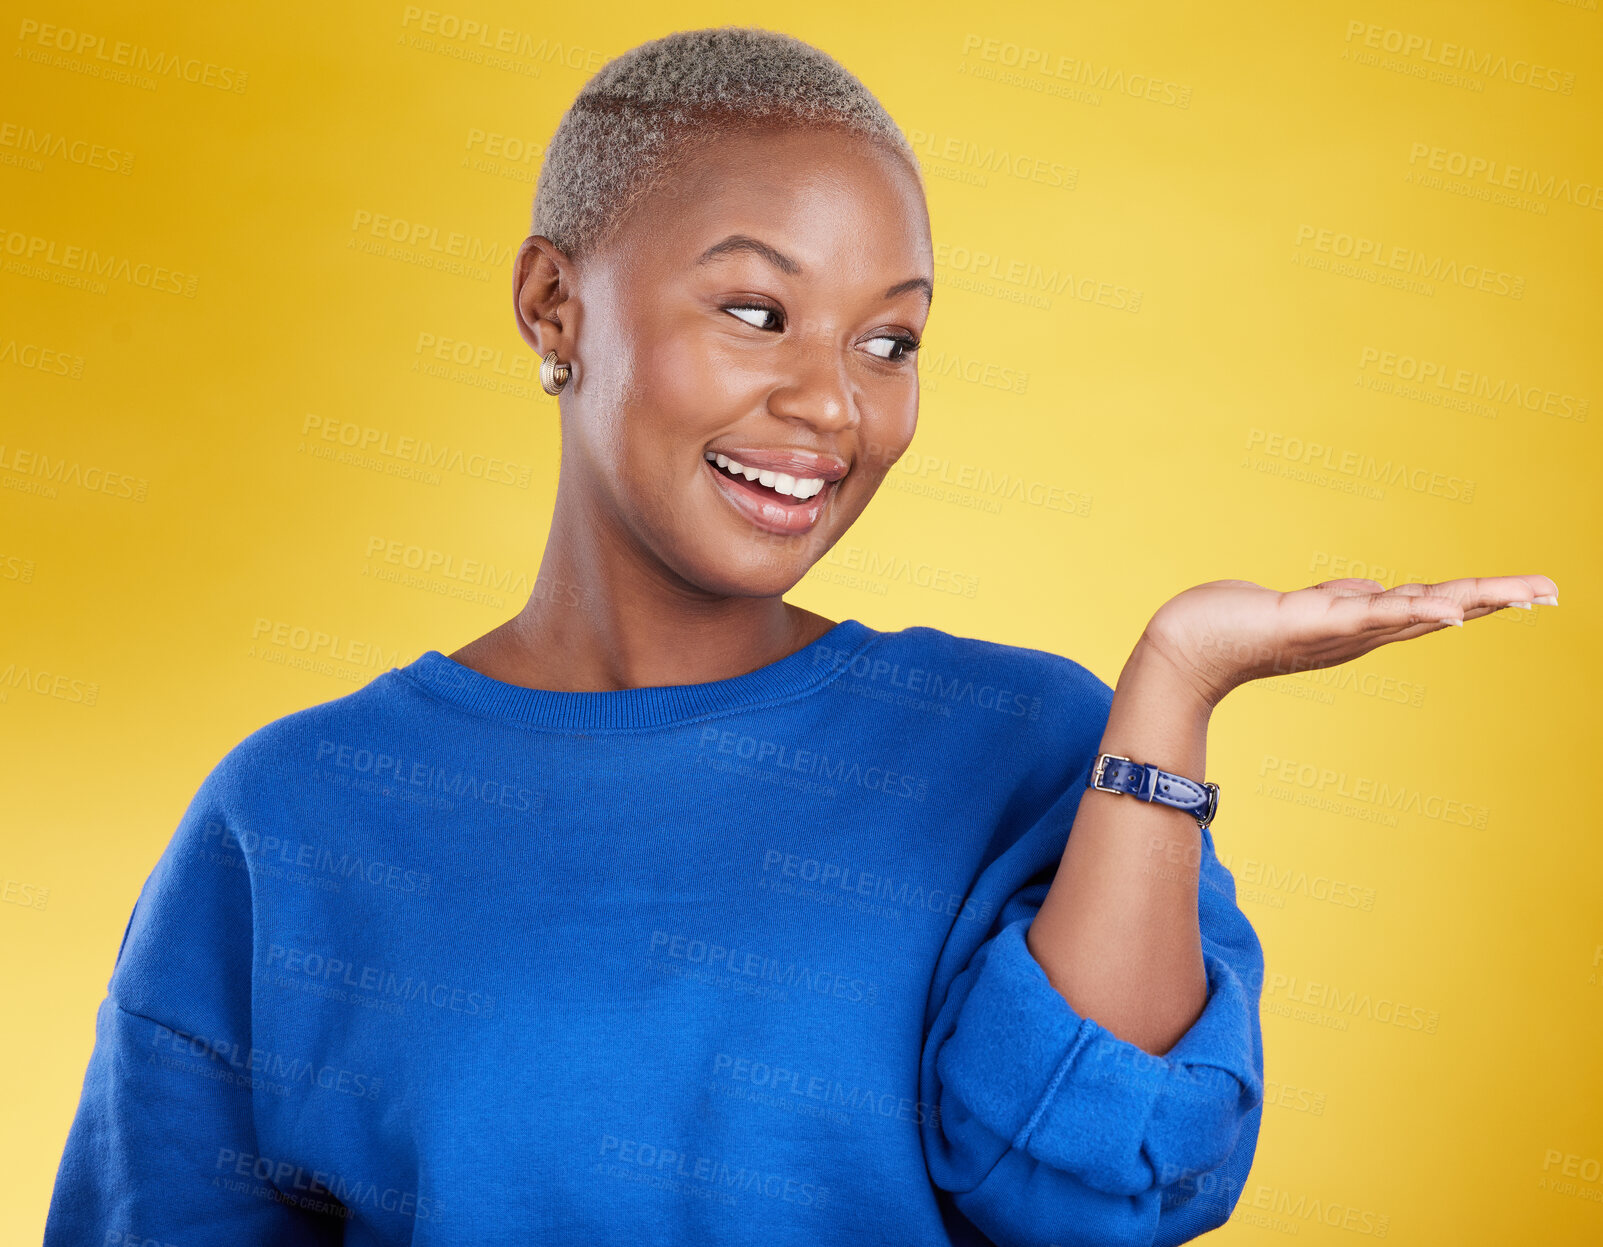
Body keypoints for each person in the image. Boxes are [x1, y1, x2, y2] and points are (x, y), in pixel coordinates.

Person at [43, 25, 1555, 1247]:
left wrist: (1172, 689)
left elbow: (1090, 1196)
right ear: (555, 304)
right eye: (758, 313)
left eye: (890, 341)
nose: (837, 405)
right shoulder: (294, 817)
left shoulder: (1025, 743)